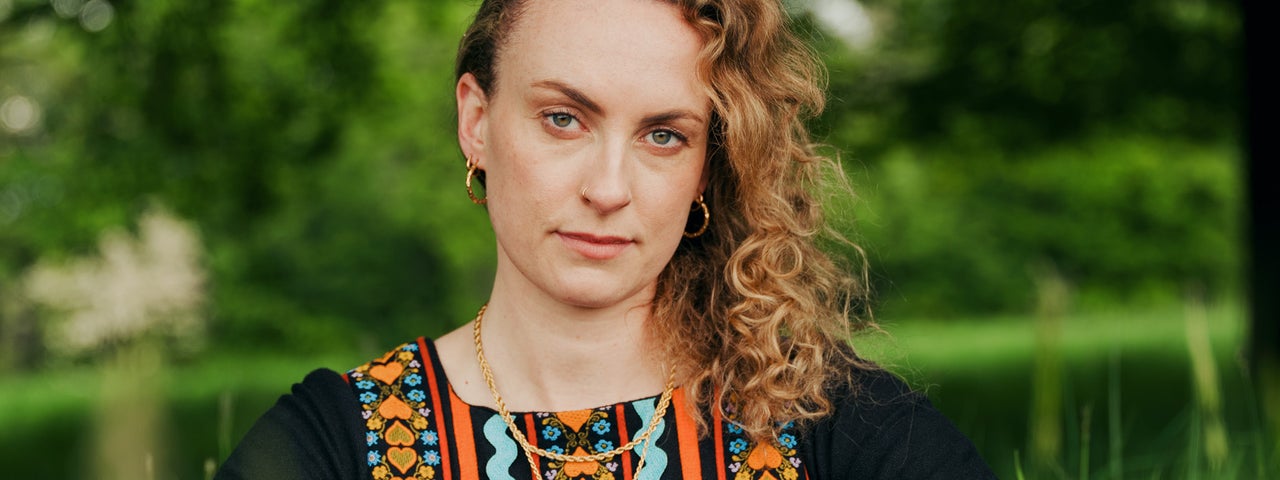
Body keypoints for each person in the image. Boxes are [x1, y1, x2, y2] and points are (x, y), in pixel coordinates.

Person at [216, 0, 995, 478]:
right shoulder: (339, 444)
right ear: (476, 122)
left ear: (705, 170)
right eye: (564, 118)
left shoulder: (828, 422)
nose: (609, 187)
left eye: (663, 135)